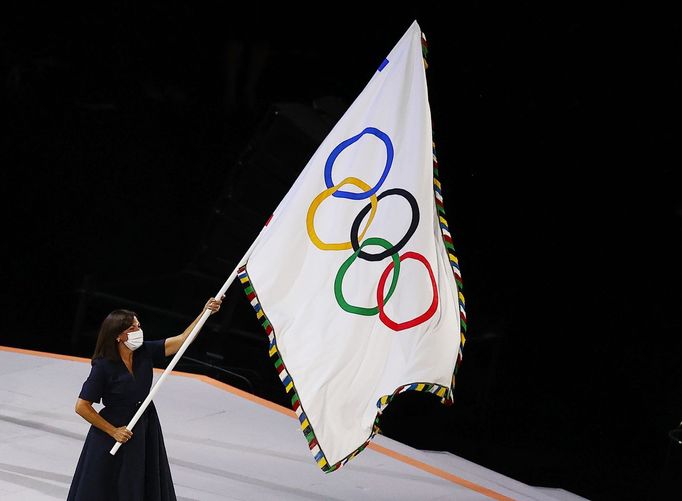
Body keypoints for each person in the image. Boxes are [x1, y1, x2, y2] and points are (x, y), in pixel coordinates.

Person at [67, 296, 223, 501]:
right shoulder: (103, 366)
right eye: (132, 328)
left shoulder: (144, 351)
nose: (138, 331)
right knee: (109, 483)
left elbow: (182, 340)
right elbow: (82, 406)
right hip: (114, 428)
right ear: (118, 336)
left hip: (143, 423)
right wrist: (113, 431)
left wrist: (205, 313)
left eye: (138, 326)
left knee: (139, 478)